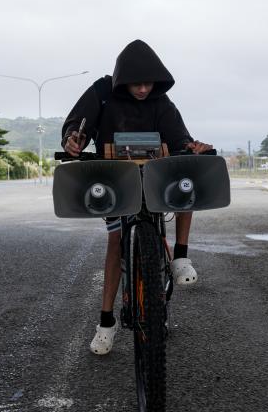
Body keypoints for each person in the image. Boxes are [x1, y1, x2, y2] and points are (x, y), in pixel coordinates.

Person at [60, 39, 212, 355]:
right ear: (123, 79)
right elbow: (78, 125)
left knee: (187, 177)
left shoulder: (161, 100)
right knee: (116, 241)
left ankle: (180, 257)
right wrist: (73, 140)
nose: (143, 89)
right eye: (137, 83)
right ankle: (106, 323)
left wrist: (193, 146)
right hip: (116, 178)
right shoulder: (102, 92)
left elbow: (180, 138)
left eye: (148, 83)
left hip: (153, 176)